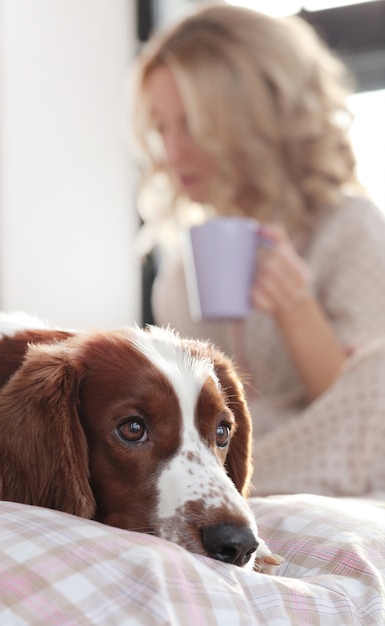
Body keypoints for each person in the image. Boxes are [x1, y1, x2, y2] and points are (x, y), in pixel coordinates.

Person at [130, 2, 385, 497]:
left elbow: (361, 419)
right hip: (224, 468)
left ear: (258, 119)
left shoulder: (349, 229)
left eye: (193, 124)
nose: (173, 151)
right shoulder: (185, 273)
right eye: (162, 127)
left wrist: (296, 309)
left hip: (332, 472)